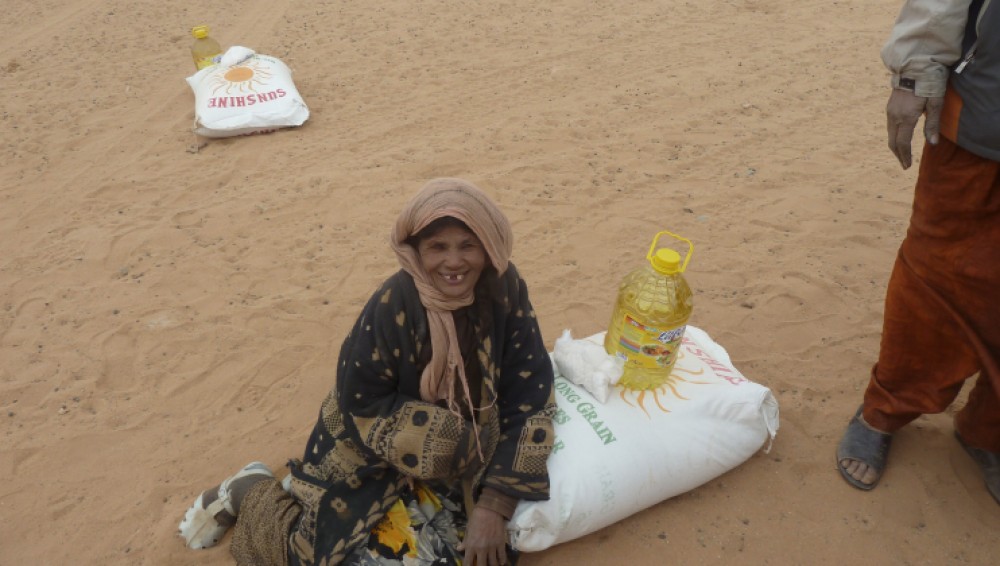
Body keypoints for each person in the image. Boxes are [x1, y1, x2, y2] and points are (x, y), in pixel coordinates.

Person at [179, 178, 557, 565]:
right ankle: (251, 489)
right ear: (415, 251)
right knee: (319, 556)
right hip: (368, 453)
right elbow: (361, 403)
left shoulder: (505, 292)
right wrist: (449, 442)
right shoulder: (393, 305)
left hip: (463, 455)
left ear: (489, 245)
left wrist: (494, 505)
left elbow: (530, 396)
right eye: (437, 247)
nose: (454, 262)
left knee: (472, 553)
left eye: (468, 246)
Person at [836, 0, 999, 504]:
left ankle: (988, 432)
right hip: (985, 122)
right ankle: (885, 409)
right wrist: (912, 76)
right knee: (933, 278)